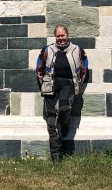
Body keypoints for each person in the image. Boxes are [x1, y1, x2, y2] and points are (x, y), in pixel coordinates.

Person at [35, 25, 88, 163]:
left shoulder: (77, 50)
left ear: (67, 35)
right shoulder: (47, 50)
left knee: (64, 108)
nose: (60, 38)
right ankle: (56, 154)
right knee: (52, 120)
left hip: (68, 84)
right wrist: (43, 83)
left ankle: (65, 124)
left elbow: (84, 68)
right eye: (58, 36)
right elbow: (39, 67)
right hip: (50, 86)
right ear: (55, 37)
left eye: (62, 35)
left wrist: (78, 83)